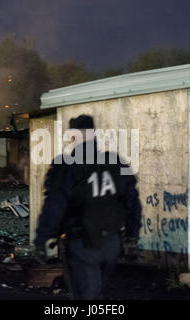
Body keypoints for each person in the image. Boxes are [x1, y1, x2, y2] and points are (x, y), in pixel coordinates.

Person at [34, 114, 142, 300]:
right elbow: (133, 202)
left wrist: (41, 240)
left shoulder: (65, 166)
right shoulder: (117, 162)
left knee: (87, 296)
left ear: (74, 137)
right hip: (112, 245)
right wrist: (132, 236)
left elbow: (55, 205)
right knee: (98, 291)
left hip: (82, 245)